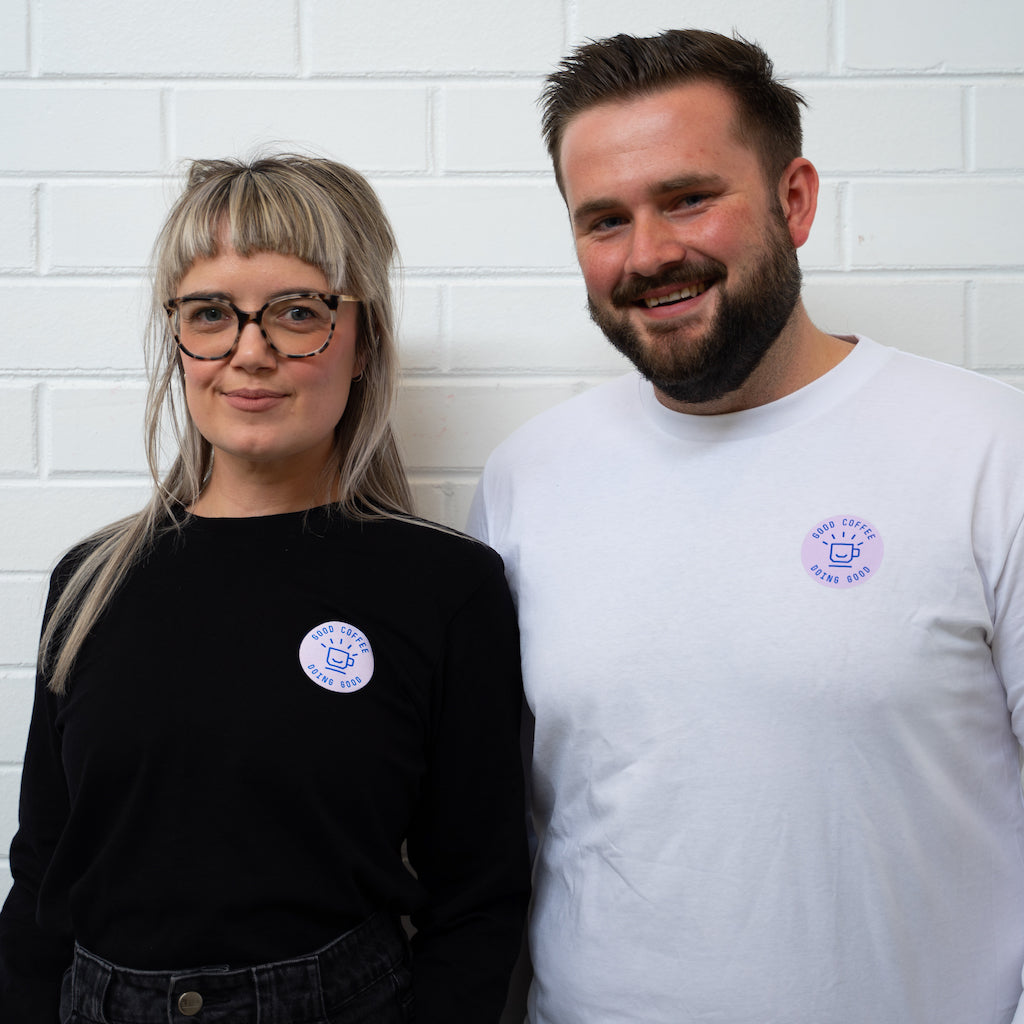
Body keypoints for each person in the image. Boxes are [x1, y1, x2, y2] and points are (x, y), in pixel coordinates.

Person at [468, 28, 1024, 1024]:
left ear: (793, 200)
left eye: (688, 198)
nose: (648, 254)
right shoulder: (526, 480)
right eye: (604, 219)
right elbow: (506, 828)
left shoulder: (987, 451)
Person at [0, 155, 530, 1024]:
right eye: (211, 314)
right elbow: (44, 871)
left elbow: (478, 892)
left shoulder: (447, 590)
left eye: (297, 312)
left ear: (364, 343)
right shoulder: (89, 583)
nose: (250, 352)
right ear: (177, 342)